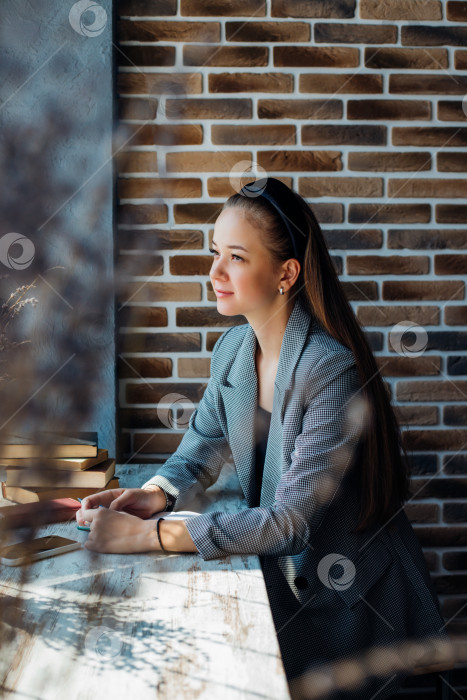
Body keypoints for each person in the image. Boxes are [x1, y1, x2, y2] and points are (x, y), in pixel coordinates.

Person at [78, 177, 449, 699]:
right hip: (291, 589)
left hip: (356, 603)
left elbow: (291, 522)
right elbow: (202, 444)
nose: (214, 273)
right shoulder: (233, 349)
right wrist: (156, 494)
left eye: (236, 257)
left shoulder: (330, 371)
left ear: (286, 272)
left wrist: (150, 535)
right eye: (214, 254)